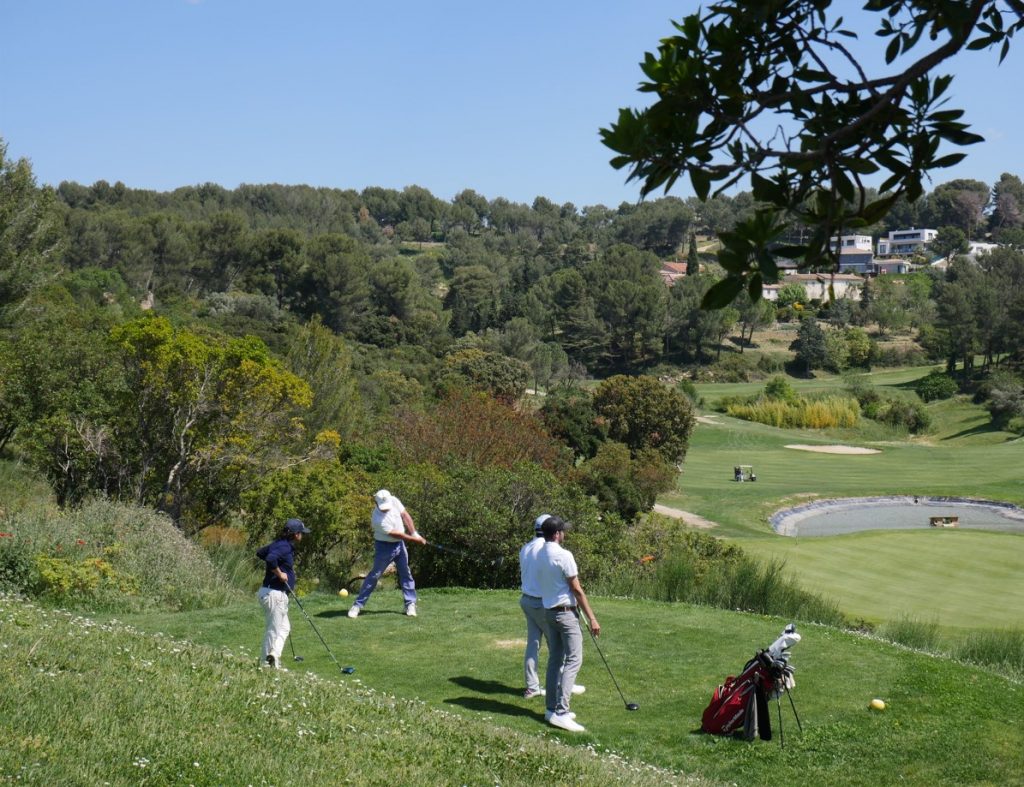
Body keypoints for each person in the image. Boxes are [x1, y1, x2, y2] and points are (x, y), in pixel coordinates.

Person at [536, 515, 600, 733]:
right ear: (557, 534)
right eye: (563, 531)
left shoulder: (539, 554)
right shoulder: (564, 555)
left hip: (548, 612)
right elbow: (577, 589)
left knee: (555, 660)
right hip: (565, 614)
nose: (564, 534)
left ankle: (551, 709)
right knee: (574, 659)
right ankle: (562, 712)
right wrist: (592, 617)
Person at [519, 514, 586, 700]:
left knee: (533, 644)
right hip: (543, 603)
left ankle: (532, 687)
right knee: (558, 648)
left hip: (526, 600)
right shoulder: (545, 550)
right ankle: (563, 683)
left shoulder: (526, 548)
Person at [348, 489, 426, 618]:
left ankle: (410, 603)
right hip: (384, 547)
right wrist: (415, 540)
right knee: (374, 575)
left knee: (405, 573)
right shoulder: (377, 519)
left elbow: (405, 515)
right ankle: (357, 605)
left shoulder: (394, 501)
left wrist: (414, 533)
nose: (386, 509)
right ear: (376, 503)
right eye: (383, 507)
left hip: (399, 545)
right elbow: (396, 534)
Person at [256, 517, 311, 669]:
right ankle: (264, 665)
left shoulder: (279, 545)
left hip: (271, 593)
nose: (302, 536)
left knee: (285, 627)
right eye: (301, 533)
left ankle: (273, 655)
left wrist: (277, 563)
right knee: (273, 630)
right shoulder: (285, 547)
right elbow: (270, 559)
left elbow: (261, 553)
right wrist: (279, 573)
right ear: (295, 534)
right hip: (275, 595)